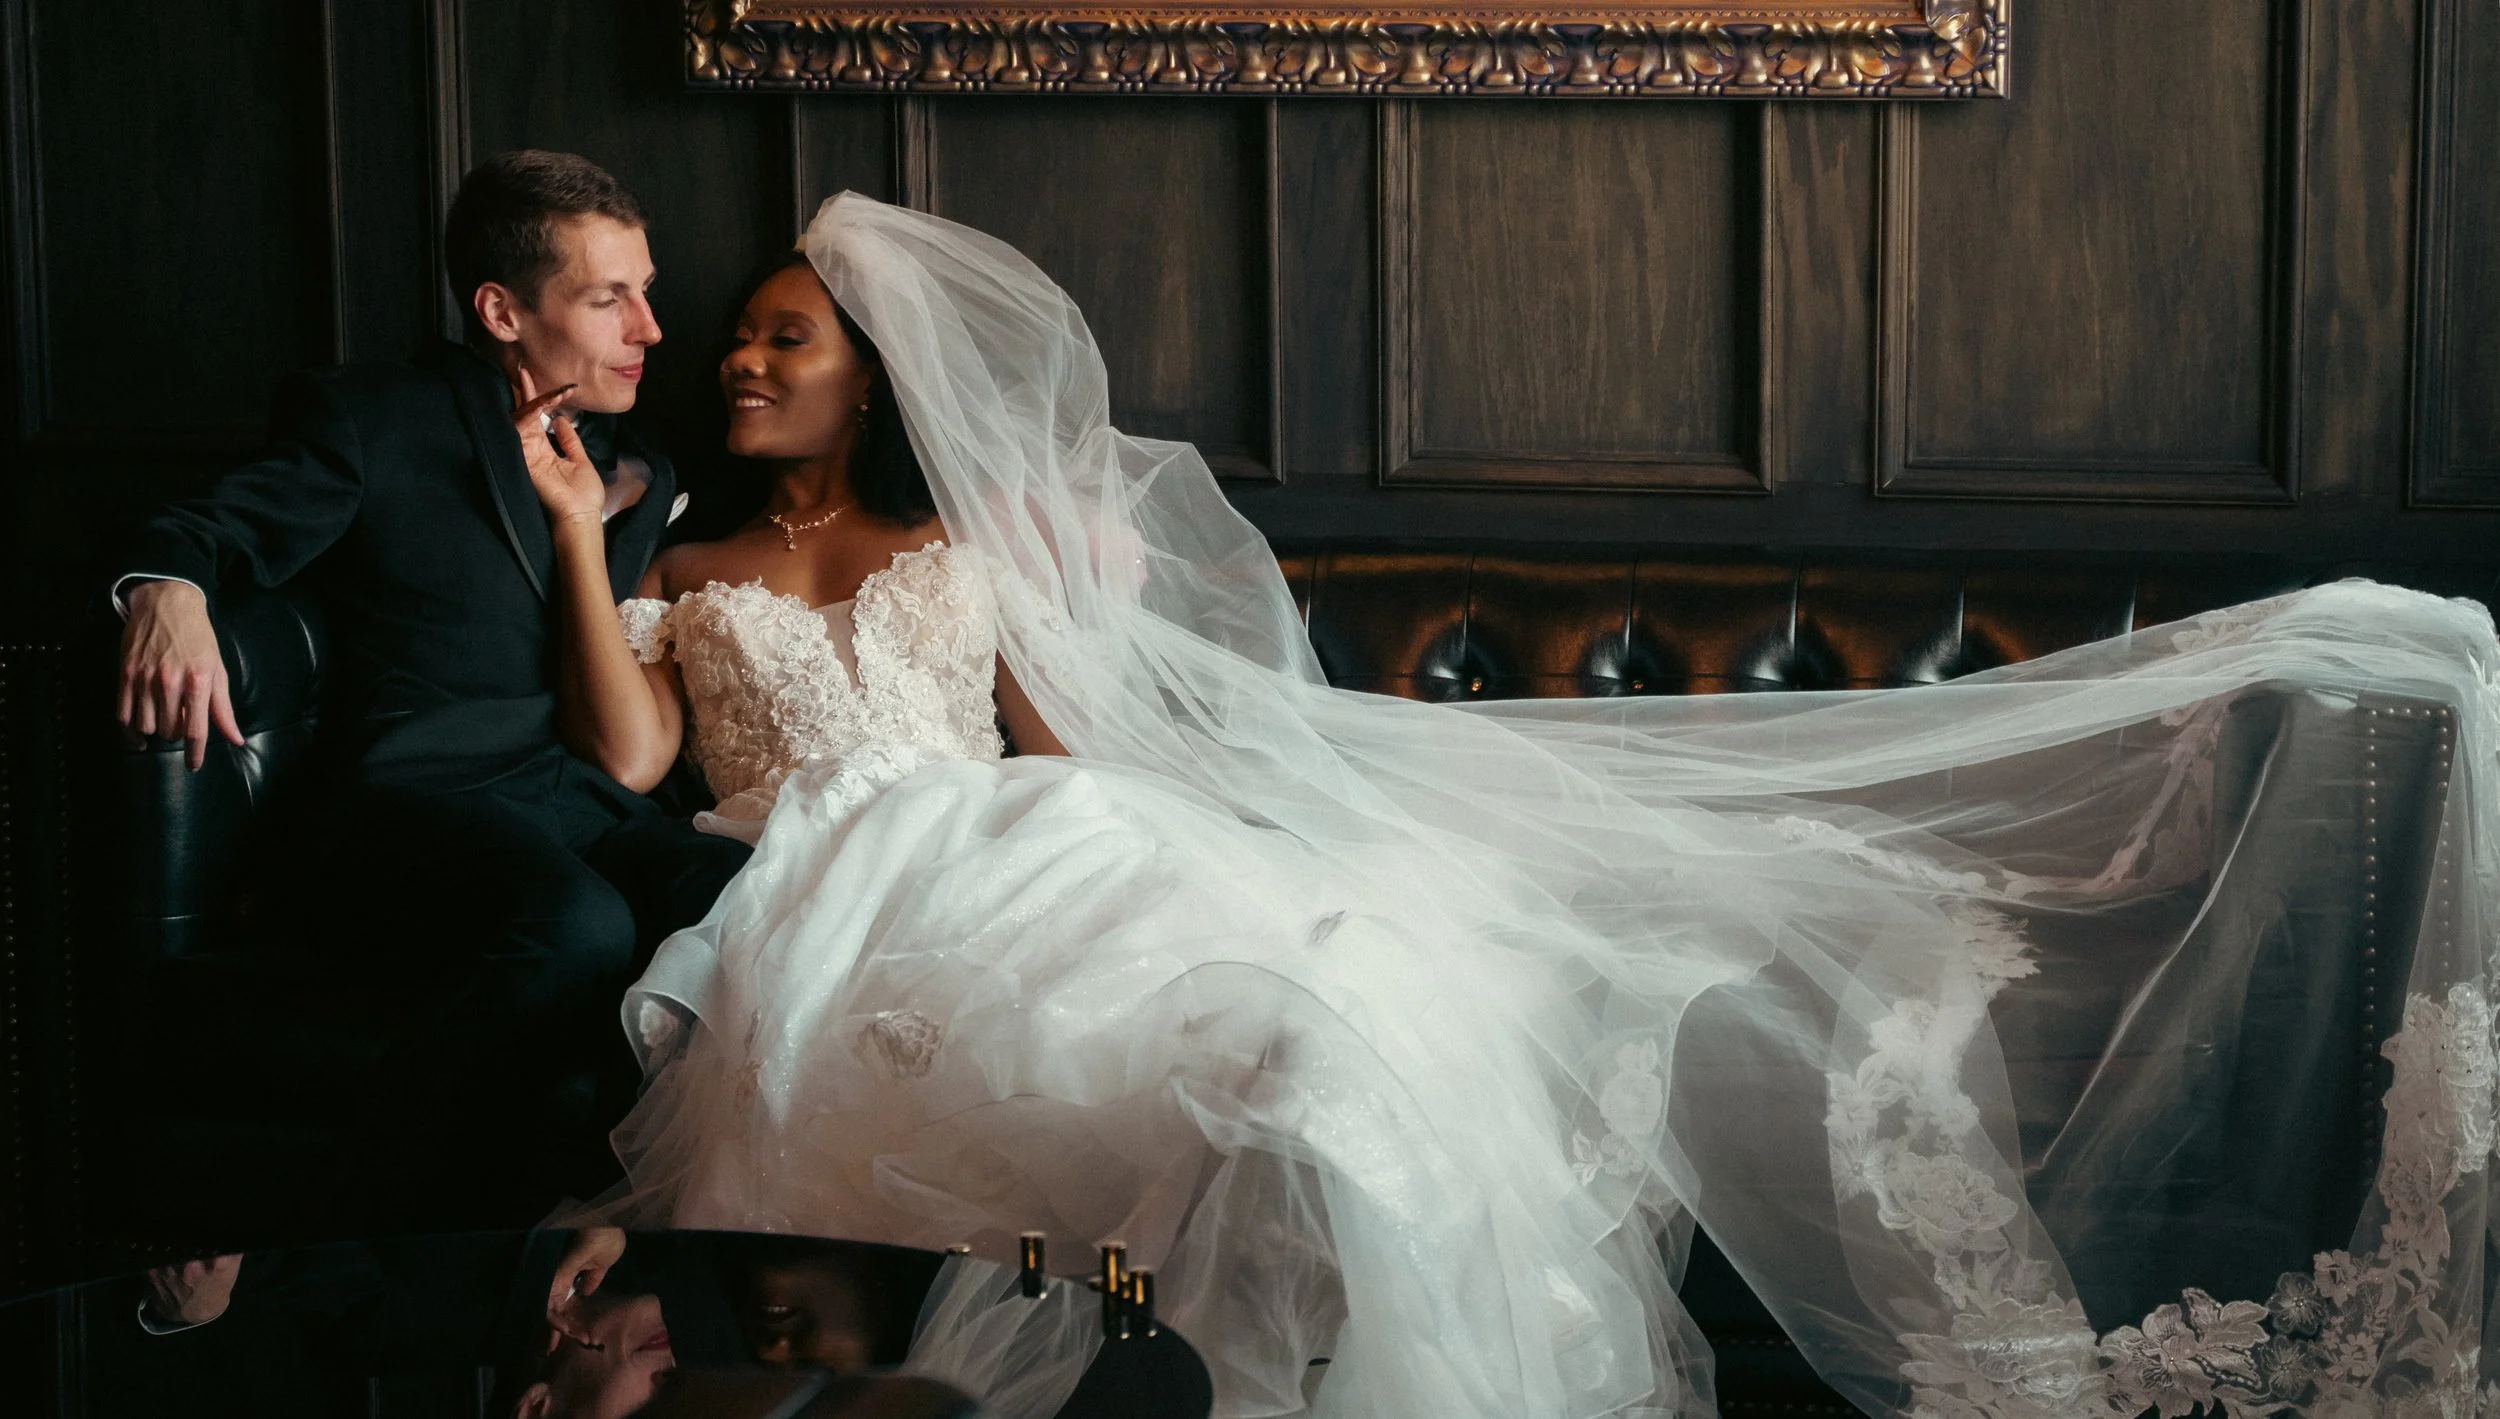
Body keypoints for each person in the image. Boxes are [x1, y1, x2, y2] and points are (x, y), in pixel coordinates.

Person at [543, 194, 2500, 1419]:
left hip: (1009, 841)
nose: (739, 355)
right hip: (813, 875)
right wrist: (573, 533)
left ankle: (1265, 1236)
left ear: (869, 374)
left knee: (1265, 1022)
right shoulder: (681, 561)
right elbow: (632, 757)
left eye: (783, 334)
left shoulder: (958, 550)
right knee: (967, 1082)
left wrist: (1125, 692)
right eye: (742, 334)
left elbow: (1059, 759)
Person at [109, 150, 752, 1218]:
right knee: (581, 924)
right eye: (609, 300)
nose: (650, 329)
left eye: (646, 291)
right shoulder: (375, 419)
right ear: (501, 311)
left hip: (576, 801)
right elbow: (204, 526)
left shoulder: (645, 463)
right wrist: (166, 588)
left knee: (750, 899)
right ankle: (345, 1236)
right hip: (412, 800)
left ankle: (630, 1226)